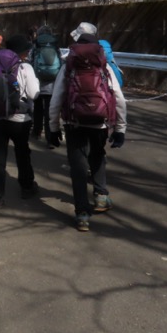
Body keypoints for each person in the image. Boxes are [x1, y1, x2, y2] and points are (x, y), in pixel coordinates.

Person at [48, 28, 127, 232]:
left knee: (78, 168)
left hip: (74, 123)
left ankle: (82, 214)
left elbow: (56, 98)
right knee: (98, 155)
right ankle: (101, 197)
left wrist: (53, 127)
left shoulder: (68, 66)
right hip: (100, 122)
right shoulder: (104, 67)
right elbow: (118, 98)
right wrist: (120, 128)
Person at [0, 33, 41, 215]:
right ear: (22, 52)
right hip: (19, 119)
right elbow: (34, 94)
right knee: (22, 153)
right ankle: (26, 187)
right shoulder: (25, 67)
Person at [30, 25, 62, 149]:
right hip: (52, 85)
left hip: (38, 83)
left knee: (37, 109)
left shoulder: (36, 45)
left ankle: (36, 132)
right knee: (50, 111)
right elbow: (60, 62)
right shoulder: (55, 45)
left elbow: (30, 60)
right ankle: (50, 139)